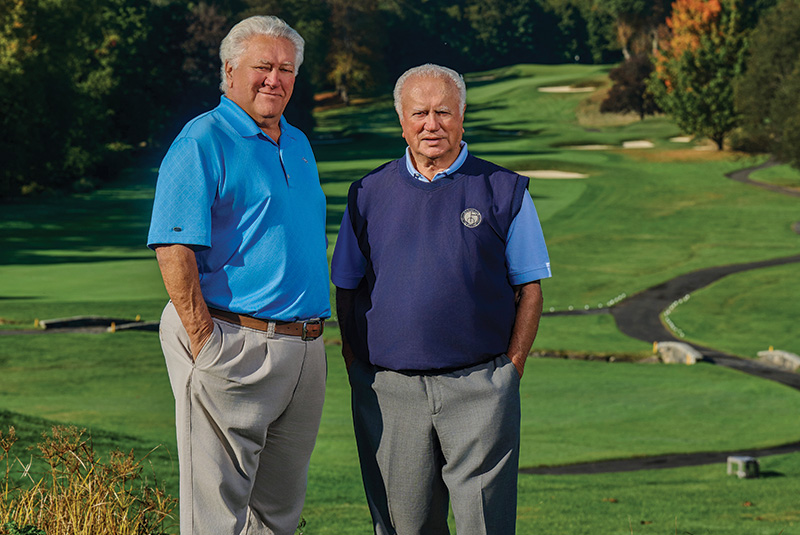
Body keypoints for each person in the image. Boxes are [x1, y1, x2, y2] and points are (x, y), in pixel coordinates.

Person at [331, 64, 552, 534]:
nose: (431, 124)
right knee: (404, 526)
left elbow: (529, 288)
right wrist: (355, 364)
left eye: (443, 112)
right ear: (402, 121)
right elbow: (346, 288)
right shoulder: (366, 193)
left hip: (480, 387)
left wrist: (511, 369)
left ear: (462, 116)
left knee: (484, 526)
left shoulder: (504, 190)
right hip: (390, 391)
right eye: (419, 113)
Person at [147, 15, 329, 535]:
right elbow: (173, 247)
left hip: (304, 348)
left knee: (277, 517)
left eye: (286, 69)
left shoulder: (297, 142)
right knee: (215, 517)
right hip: (234, 340)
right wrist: (205, 340)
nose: (275, 79)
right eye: (262, 66)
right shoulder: (202, 139)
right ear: (230, 71)